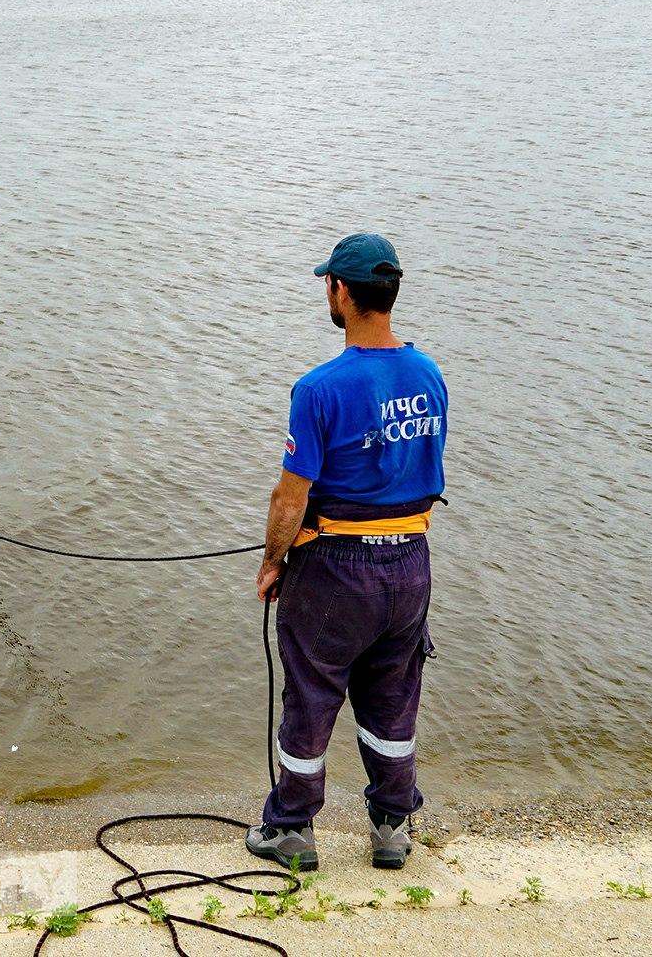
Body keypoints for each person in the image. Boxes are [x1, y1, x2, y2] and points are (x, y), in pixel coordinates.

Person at [244, 233, 449, 872]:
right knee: (392, 698)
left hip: (335, 569)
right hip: (410, 563)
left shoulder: (319, 388)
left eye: (327, 283)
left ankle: (292, 830)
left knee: (310, 693)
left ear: (343, 292)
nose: (326, 292)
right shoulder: (429, 373)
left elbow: (290, 495)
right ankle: (392, 828)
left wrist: (274, 560)